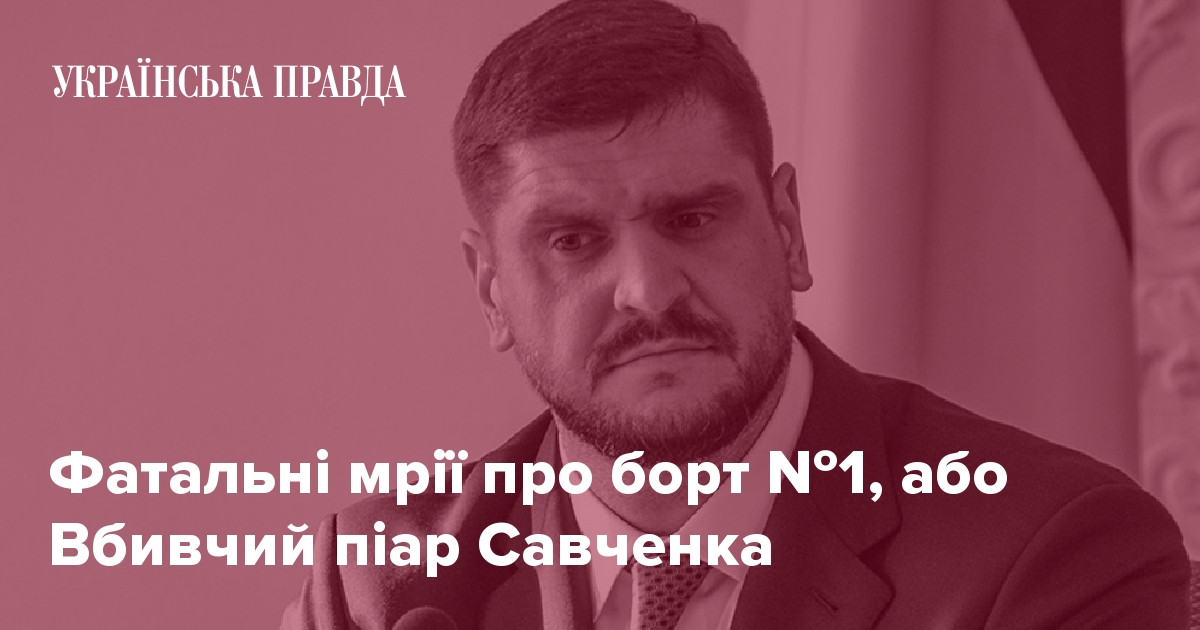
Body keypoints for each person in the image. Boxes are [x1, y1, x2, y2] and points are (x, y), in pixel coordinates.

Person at [280, 0, 1191, 627]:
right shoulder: (385, 578)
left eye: (691, 220)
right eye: (573, 241)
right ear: (491, 292)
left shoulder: (1054, 552)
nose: (649, 291)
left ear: (786, 228)